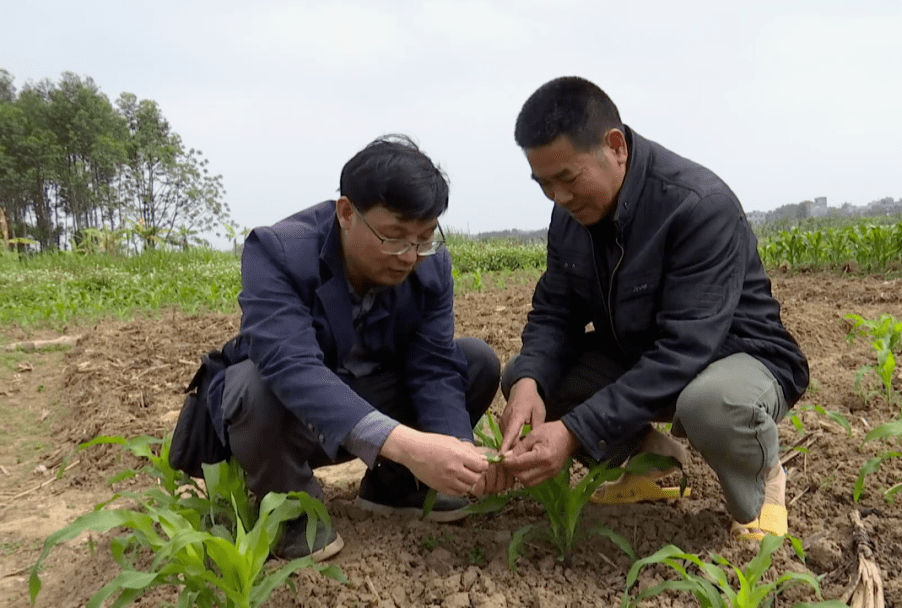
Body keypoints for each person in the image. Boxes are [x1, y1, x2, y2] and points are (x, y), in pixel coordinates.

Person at [492, 77, 809, 541]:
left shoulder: (697, 206)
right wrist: (526, 384)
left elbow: (685, 350)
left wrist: (574, 431)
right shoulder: (571, 214)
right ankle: (650, 462)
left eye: (568, 178)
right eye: (544, 184)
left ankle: (763, 482)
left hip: (736, 356)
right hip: (640, 351)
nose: (558, 197)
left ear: (615, 146)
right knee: (531, 373)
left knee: (712, 405)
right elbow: (555, 310)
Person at [203, 135, 501, 561]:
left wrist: (460, 452)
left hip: (366, 397)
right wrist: (412, 446)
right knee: (255, 385)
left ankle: (398, 487)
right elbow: (292, 367)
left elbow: (433, 365)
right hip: (286, 421)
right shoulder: (278, 251)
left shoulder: (429, 263)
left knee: (474, 361)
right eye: (395, 236)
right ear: (347, 213)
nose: (409, 255)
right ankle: (292, 511)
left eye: (424, 237)